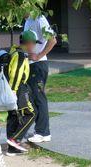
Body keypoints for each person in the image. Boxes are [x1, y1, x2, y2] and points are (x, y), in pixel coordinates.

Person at [0, 30, 39, 156]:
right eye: (34, 43)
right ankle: (16, 139)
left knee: (14, 116)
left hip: (11, 89)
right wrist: (13, 93)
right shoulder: (20, 55)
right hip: (18, 89)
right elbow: (16, 74)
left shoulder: (13, 51)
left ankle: (11, 148)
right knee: (31, 113)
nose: (34, 46)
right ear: (28, 43)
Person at [24, 14, 57, 143]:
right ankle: (40, 130)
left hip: (38, 64)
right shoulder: (27, 21)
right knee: (33, 98)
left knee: (39, 98)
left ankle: (44, 132)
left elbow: (52, 40)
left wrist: (39, 55)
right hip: (31, 64)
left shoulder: (39, 19)